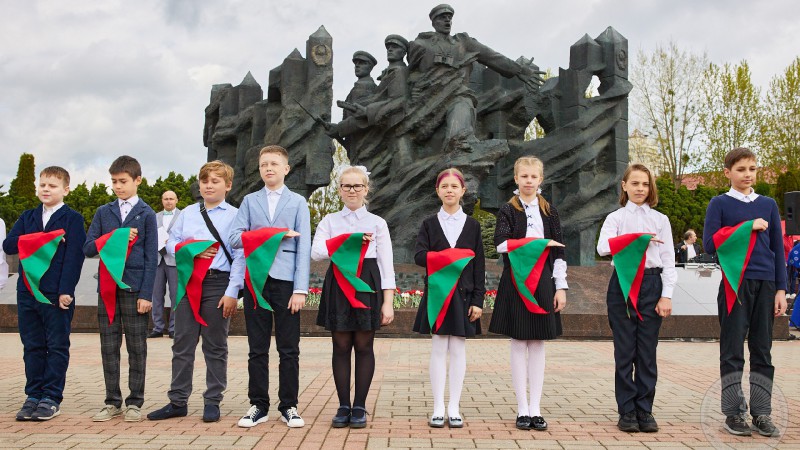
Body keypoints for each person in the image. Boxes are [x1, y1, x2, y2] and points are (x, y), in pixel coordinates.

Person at [147, 161, 244, 423]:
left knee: (215, 345)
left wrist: (232, 291)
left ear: (228, 185)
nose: (208, 185)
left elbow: (240, 255)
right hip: (188, 283)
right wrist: (191, 250)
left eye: (215, 181)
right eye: (204, 181)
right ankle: (177, 401)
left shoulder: (236, 216)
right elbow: (170, 244)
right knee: (182, 342)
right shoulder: (188, 213)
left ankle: (212, 400)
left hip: (218, 283)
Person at [702, 147, 786, 437]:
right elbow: (710, 244)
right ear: (727, 173)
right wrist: (748, 227)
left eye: (752, 168)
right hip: (734, 285)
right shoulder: (719, 204)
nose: (747, 174)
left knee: (762, 350)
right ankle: (733, 413)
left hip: (766, 284)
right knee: (732, 351)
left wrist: (781, 289)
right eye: (740, 169)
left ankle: (762, 413)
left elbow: (778, 249)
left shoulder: (768, 204)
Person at [229, 145, 311, 428]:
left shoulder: (298, 202)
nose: (268, 168)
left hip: (287, 283)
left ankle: (289, 406)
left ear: (286, 168)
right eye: (264, 164)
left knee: (289, 348)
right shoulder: (249, 201)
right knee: (257, 347)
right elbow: (234, 239)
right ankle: (258, 405)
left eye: (274, 164)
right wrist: (272, 234)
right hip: (257, 281)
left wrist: (300, 289)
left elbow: (304, 247)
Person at [311, 165, 395, 428]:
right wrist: (351, 241)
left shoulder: (378, 223)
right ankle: (343, 405)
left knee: (364, 346)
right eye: (346, 186)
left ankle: (359, 406)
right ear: (339, 190)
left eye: (357, 185)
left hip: (367, 282)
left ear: (366, 189)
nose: (352, 190)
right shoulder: (329, 221)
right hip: (339, 282)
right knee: (340, 346)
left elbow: (386, 265)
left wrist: (388, 302)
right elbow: (316, 252)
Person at [488, 157, 567, 431]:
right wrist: (538, 243)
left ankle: (536, 408)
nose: (529, 181)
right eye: (524, 176)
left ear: (541, 179)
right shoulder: (507, 209)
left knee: (537, 342)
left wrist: (561, 287)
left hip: (544, 280)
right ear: (516, 178)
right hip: (517, 279)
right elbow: (500, 244)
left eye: (533, 176)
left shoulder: (550, 211)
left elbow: (559, 251)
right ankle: (522, 408)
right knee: (519, 340)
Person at [2, 166, 86, 421]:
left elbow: (74, 258)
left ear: (66, 190)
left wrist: (66, 291)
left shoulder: (72, 219)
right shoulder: (28, 216)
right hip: (27, 291)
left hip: (55, 293)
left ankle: (51, 397)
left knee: (56, 345)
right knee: (32, 345)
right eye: (42, 185)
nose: (46, 189)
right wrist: (43, 238)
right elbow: (9, 245)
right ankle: (33, 395)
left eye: (52, 186)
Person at [597, 163, 675, 433]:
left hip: (652, 283)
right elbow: (603, 247)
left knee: (647, 352)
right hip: (623, 283)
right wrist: (637, 239)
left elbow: (669, 261)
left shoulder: (661, 220)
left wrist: (666, 296)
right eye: (635, 183)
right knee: (624, 351)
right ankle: (627, 410)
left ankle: (645, 408)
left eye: (645, 184)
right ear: (624, 186)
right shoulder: (615, 218)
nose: (640, 189)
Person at [406, 4, 543, 150]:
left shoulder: (464, 42)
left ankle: (457, 142)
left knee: (463, 102)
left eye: (449, 17)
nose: (447, 20)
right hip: (428, 96)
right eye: (442, 17)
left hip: (456, 93)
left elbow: (492, 57)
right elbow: (411, 73)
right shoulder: (420, 45)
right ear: (434, 22)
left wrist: (520, 70)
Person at [83, 155, 158, 423]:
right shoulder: (103, 212)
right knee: (109, 346)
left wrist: (147, 294)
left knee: (137, 347)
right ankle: (112, 401)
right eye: (114, 181)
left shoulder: (147, 214)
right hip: (107, 288)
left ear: (138, 180)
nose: (117, 186)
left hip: (134, 288)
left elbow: (151, 258)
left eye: (123, 181)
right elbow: (88, 247)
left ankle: (135, 402)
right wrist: (114, 237)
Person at [412, 168, 485, 428]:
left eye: (454, 186)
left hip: (465, 296)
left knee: (458, 349)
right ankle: (438, 407)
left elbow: (478, 265)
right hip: (438, 295)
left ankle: (454, 406)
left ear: (463, 190)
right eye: (445, 186)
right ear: (438, 191)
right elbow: (419, 256)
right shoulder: (429, 224)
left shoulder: (473, 225)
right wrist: (450, 257)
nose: (449, 190)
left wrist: (478, 300)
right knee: (438, 347)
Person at [149, 190, 181, 338]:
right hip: (157, 260)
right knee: (156, 295)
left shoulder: (183, 216)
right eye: (166, 199)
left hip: (174, 259)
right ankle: (158, 327)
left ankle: (174, 328)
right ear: (162, 200)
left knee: (175, 295)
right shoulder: (154, 217)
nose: (168, 201)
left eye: (171, 199)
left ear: (176, 200)